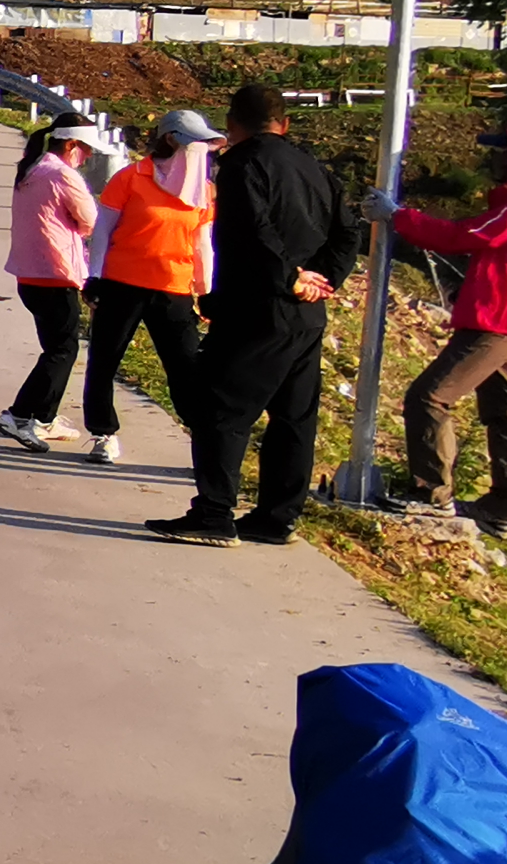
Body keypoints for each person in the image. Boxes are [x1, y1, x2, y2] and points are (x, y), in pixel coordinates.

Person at [152, 85, 355, 548]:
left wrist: (289, 278)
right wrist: (323, 279)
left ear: (234, 122)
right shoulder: (315, 167)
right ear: (284, 124)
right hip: (307, 314)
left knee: (221, 407)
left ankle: (214, 513)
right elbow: (347, 230)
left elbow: (256, 232)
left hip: (258, 308)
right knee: (293, 417)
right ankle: (276, 516)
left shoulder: (243, 165)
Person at [386, 123, 507, 535]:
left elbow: (466, 235)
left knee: (430, 397)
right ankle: (504, 506)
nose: (493, 160)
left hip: (500, 320)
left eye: (503, 152)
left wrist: (400, 217)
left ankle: (430, 493)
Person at [80, 106, 221, 469]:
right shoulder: (131, 178)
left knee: (186, 367)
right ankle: (103, 434)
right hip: (122, 284)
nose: (200, 152)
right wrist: (93, 277)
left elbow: (203, 243)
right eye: (194, 144)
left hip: (173, 288)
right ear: (171, 140)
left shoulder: (202, 190)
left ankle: (202, 438)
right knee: (104, 361)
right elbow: (103, 231)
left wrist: (206, 291)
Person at [0, 112, 109, 453]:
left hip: (29, 273)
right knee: (62, 350)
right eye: (85, 150)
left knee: (56, 347)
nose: (87, 157)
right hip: (55, 274)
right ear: (72, 145)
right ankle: (20, 414)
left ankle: (44, 417)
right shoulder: (63, 175)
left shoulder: (30, 169)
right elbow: (90, 220)